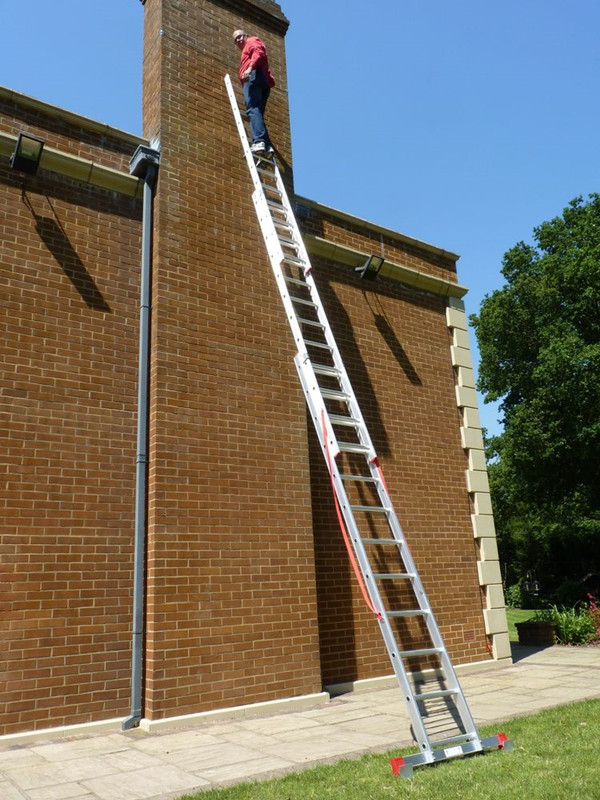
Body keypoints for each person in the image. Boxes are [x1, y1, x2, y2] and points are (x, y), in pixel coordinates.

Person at [233, 29, 275, 156]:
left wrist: (249, 69)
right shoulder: (249, 45)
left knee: (253, 109)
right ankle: (266, 146)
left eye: (240, 36)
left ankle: (259, 141)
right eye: (236, 40)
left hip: (254, 77)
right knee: (257, 113)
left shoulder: (252, 41)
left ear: (247, 35)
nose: (239, 40)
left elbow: (258, 53)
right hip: (262, 81)